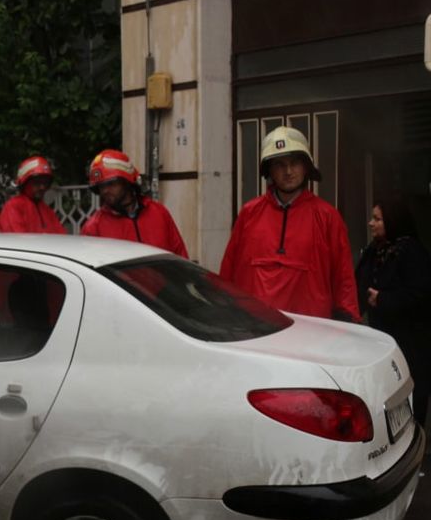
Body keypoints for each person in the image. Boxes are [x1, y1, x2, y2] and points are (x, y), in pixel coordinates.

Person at [220, 126, 358, 321]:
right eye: (279, 164)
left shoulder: (327, 217)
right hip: (256, 329)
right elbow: (229, 269)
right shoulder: (249, 213)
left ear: (306, 167)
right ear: (269, 171)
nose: (288, 171)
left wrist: (347, 317)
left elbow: (343, 276)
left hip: (310, 331)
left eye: (295, 163)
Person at [355, 194, 431, 426]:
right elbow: (358, 282)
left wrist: (384, 299)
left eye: (377, 219)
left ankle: (414, 435)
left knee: (410, 386)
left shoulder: (411, 252)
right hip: (383, 336)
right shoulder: (374, 250)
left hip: (411, 337)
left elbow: (421, 294)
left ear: (393, 221)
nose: (371, 223)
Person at [80, 149, 188, 258]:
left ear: (126, 182)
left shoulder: (159, 212)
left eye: (111, 183)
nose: (105, 191)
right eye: (101, 186)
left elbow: (180, 256)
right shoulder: (93, 228)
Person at [0, 156, 67, 234]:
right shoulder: (13, 207)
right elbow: (18, 242)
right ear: (24, 183)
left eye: (45, 183)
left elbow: (62, 237)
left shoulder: (47, 210)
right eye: (37, 182)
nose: (42, 187)